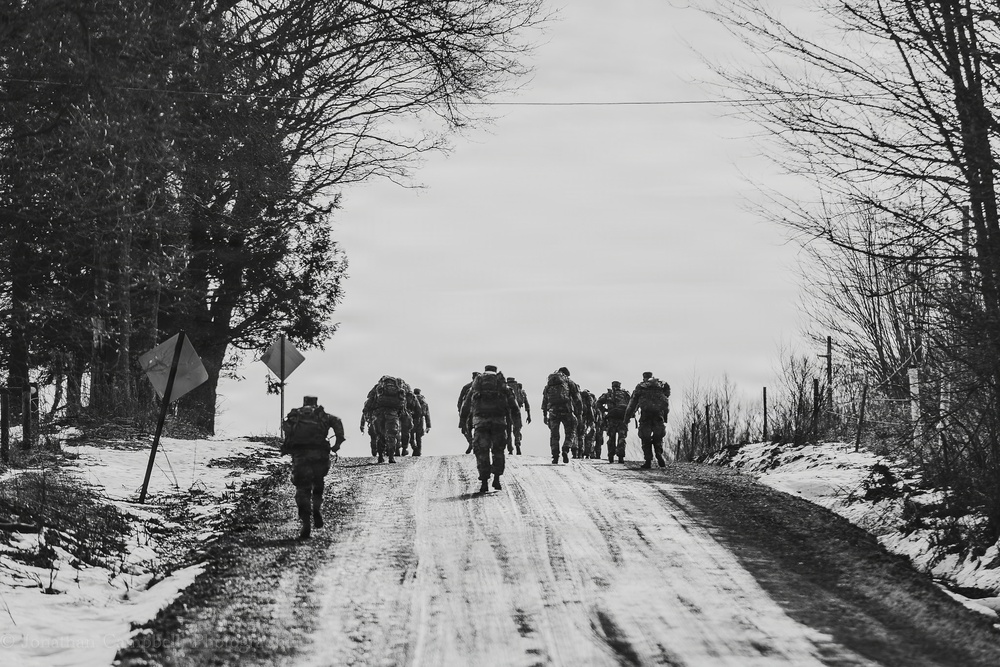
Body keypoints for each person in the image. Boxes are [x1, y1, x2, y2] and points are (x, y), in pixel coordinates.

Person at [281, 396, 345, 540]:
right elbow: (338, 424)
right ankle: (316, 508)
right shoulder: (323, 415)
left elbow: (287, 432)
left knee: (302, 489)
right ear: (316, 403)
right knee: (318, 482)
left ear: (304, 402)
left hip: (300, 456)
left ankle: (306, 522)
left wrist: (287, 447)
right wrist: (337, 444)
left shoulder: (295, 415)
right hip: (320, 455)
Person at [460, 365, 520, 493]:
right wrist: (516, 424)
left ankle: (484, 482)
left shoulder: (476, 386)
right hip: (499, 423)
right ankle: (497, 478)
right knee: (498, 451)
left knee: (482, 452)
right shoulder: (503, 386)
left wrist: (463, 422)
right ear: (496, 372)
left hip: (480, 423)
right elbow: (514, 407)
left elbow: (466, 405)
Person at [624, 372, 670, 469]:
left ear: (644, 377)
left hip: (646, 415)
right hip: (658, 415)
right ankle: (658, 453)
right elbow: (666, 398)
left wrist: (626, 418)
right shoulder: (660, 385)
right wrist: (665, 416)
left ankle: (648, 460)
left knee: (645, 438)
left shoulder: (641, 387)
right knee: (658, 437)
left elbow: (632, 404)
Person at [541, 367, 582, 464]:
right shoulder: (569, 382)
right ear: (566, 374)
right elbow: (577, 398)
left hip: (553, 411)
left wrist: (544, 415)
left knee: (554, 434)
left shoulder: (549, 384)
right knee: (571, 430)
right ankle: (566, 449)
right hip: (566, 409)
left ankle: (555, 456)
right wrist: (579, 413)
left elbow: (545, 400)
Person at [363, 375, 406, 463]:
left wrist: (366, 411)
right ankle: (391, 457)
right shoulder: (398, 388)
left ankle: (380, 457)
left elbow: (370, 400)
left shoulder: (378, 387)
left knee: (380, 435)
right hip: (393, 414)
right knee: (392, 436)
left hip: (379, 415)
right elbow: (402, 404)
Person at [597, 381, 631, 463]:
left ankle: (611, 456)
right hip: (623, 419)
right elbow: (632, 404)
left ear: (612, 386)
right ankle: (621, 457)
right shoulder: (625, 394)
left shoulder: (608, 394)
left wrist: (605, 410)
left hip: (611, 419)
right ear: (620, 386)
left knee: (611, 438)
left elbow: (598, 403)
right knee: (622, 438)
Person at [505, 376, 531, 455]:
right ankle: (517, 444)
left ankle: (510, 449)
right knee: (517, 429)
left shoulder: (505, 390)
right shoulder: (520, 391)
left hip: (507, 412)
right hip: (517, 412)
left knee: (508, 430)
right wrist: (529, 415)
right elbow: (526, 404)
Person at [457, 371, 480, 454]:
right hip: (477, 411)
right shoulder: (479, 387)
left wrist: (460, 410)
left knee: (465, 429)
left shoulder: (467, 387)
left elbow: (460, 401)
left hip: (468, 411)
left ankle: (471, 442)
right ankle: (473, 443)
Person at [410, 388, 431, 456]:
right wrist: (428, 426)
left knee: (411, 436)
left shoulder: (412, 400)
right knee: (418, 437)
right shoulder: (424, 402)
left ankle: (414, 448)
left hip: (412, 419)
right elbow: (427, 414)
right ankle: (419, 451)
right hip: (421, 420)